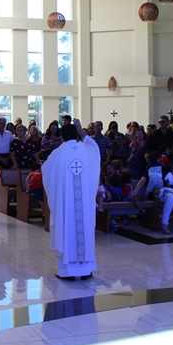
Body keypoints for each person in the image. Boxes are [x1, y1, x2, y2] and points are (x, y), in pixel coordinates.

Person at [41, 119, 99, 281]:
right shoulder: (88, 150)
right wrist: (82, 131)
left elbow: (46, 171)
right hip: (84, 204)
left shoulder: (58, 153)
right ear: (77, 135)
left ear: (62, 137)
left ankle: (67, 272)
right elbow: (95, 147)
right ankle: (86, 270)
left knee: (66, 228)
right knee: (84, 229)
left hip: (65, 204)